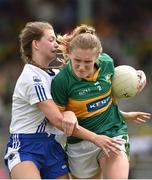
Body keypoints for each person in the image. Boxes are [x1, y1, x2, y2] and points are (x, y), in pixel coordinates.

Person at [4, 21, 125, 179]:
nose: (56, 43)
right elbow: (58, 120)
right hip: (27, 146)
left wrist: (136, 77)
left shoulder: (57, 75)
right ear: (36, 44)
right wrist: (96, 138)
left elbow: (85, 104)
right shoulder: (31, 77)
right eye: (51, 39)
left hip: (54, 145)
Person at [51, 24, 151, 179]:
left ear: (97, 57)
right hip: (80, 143)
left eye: (88, 62)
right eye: (77, 60)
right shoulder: (61, 82)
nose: (82, 67)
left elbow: (111, 93)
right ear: (69, 53)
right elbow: (60, 121)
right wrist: (69, 116)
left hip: (112, 134)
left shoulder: (107, 64)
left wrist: (134, 77)